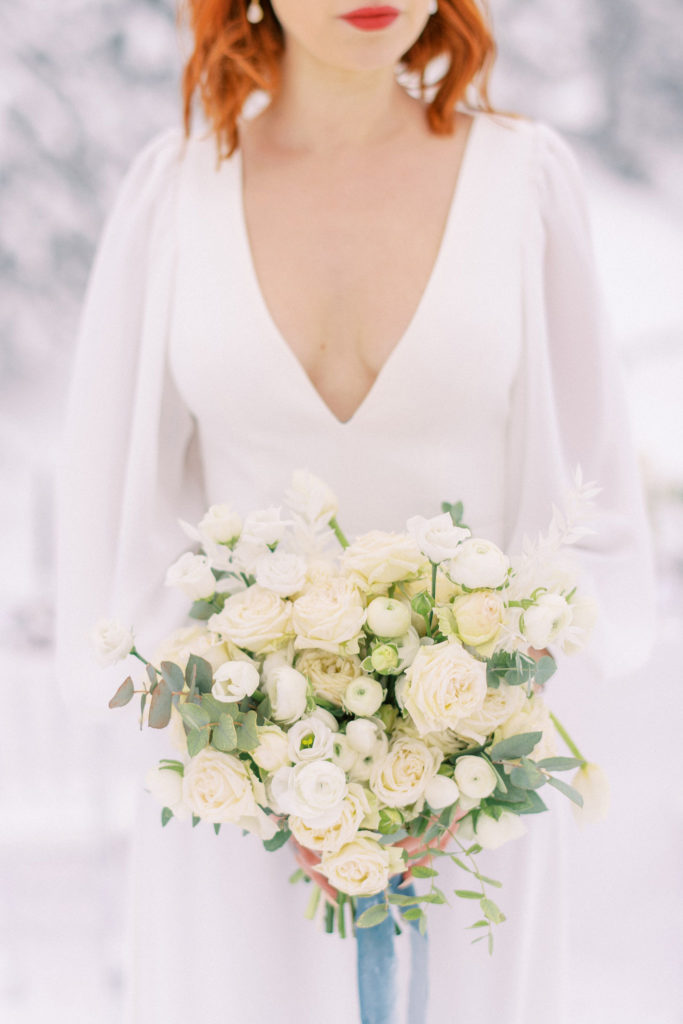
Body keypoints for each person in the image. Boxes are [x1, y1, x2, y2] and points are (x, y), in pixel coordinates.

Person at [55, 1, 654, 1022]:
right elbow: (110, 528)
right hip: (234, 815)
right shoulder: (175, 195)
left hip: (472, 821)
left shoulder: (522, 184)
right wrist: (268, 762)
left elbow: (593, 514)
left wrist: (457, 751)